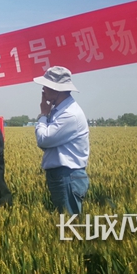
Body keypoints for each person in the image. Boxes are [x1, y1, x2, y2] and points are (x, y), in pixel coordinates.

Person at [34, 66, 89, 214]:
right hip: (63, 176)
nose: (43, 90)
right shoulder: (60, 111)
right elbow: (49, 145)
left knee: (69, 225)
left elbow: (43, 140)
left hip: (67, 176)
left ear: (56, 89)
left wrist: (43, 115)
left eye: (46, 86)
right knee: (64, 220)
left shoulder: (69, 115)